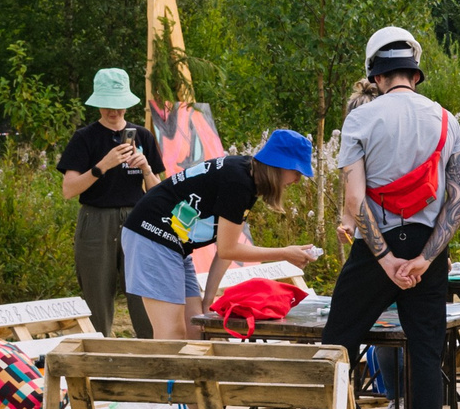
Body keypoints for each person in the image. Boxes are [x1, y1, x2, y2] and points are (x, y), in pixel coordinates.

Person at [326, 27, 460, 409]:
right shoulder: (448, 120)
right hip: (430, 249)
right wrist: (426, 259)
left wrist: (386, 258)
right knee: (427, 353)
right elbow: (459, 198)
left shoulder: (361, 120)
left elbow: (354, 200)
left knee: (337, 345)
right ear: (415, 71)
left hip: (377, 248)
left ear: (376, 73)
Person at [121, 130, 319, 340]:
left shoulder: (247, 176)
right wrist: (285, 253)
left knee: (196, 329)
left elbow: (225, 249)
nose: (297, 180)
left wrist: (208, 300)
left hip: (176, 245)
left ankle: (189, 374)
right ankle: (167, 374)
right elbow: (228, 248)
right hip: (151, 235)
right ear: (279, 165)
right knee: (172, 333)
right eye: (297, 172)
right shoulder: (239, 182)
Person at [56, 67, 163, 336]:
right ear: (98, 103)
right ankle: (99, 356)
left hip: (137, 219)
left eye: (118, 106)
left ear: (127, 103)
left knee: (143, 294)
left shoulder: (143, 137)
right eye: (107, 105)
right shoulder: (85, 138)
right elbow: (68, 190)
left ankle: (150, 355)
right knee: (97, 296)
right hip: (95, 219)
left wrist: (147, 169)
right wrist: (102, 166)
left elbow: (160, 194)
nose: (113, 112)